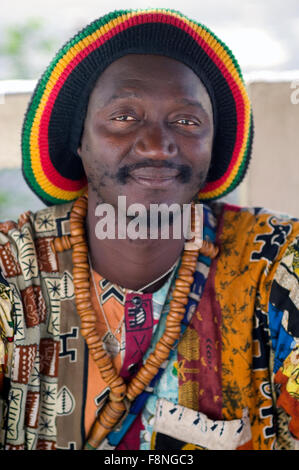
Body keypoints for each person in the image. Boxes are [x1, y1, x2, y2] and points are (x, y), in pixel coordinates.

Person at [0, 8, 298, 451]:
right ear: (79, 140)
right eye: (124, 116)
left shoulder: (276, 264)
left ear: (213, 145)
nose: (158, 145)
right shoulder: (12, 271)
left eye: (187, 121)